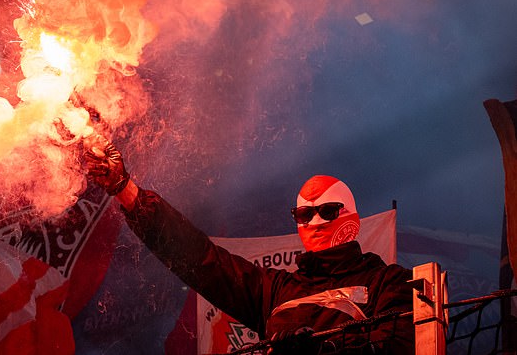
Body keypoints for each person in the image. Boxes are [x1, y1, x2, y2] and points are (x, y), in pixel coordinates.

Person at [84, 139, 415, 354]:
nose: (314, 221)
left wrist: (319, 349)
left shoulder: (389, 282)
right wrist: (125, 189)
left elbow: (396, 344)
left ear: (351, 218)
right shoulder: (276, 291)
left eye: (327, 211)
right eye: (303, 213)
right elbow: (199, 259)